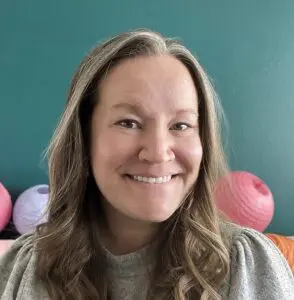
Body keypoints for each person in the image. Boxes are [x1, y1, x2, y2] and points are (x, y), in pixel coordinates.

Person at [0, 29, 293, 300]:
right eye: (129, 123)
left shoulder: (248, 266)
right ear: (83, 138)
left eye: (181, 125)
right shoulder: (25, 268)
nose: (157, 152)